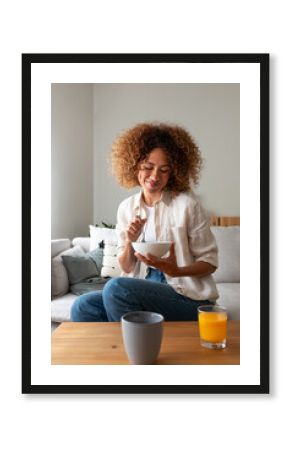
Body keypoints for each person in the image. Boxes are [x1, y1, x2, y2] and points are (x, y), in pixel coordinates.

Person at [70, 122, 219, 322]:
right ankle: (138, 336)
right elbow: (128, 266)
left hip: (186, 296)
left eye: (164, 170)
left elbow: (209, 263)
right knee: (83, 306)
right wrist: (130, 241)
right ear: (134, 165)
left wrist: (177, 270)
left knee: (116, 288)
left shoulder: (187, 205)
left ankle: (131, 347)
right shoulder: (126, 208)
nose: (154, 176)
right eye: (148, 167)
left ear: (174, 171)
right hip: (143, 290)